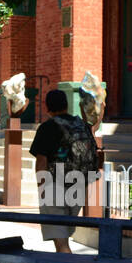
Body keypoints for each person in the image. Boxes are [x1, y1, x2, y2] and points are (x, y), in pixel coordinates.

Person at [29, 89, 98, 253]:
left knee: (61, 244)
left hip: (56, 186)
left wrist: (42, 187)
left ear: (47, 107)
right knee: (64, 237)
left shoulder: (48, 127)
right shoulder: (81, 125)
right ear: (66, 105)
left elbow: (41, 160)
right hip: (79, 186)